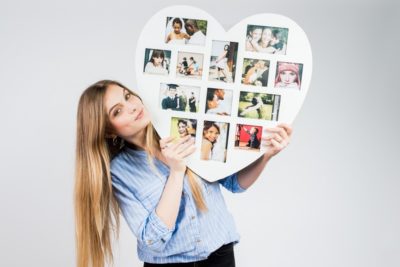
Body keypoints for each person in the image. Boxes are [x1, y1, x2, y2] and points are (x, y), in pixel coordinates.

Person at [74, 80, 292, 267]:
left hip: (221, 257)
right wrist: (177, 172)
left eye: (128, 96)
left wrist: (266, 156)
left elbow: (234, 183)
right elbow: (152, 240)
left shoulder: (184, 127)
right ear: (109, 130)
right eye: (117, 111)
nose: (132, 107)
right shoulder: (119, 171)